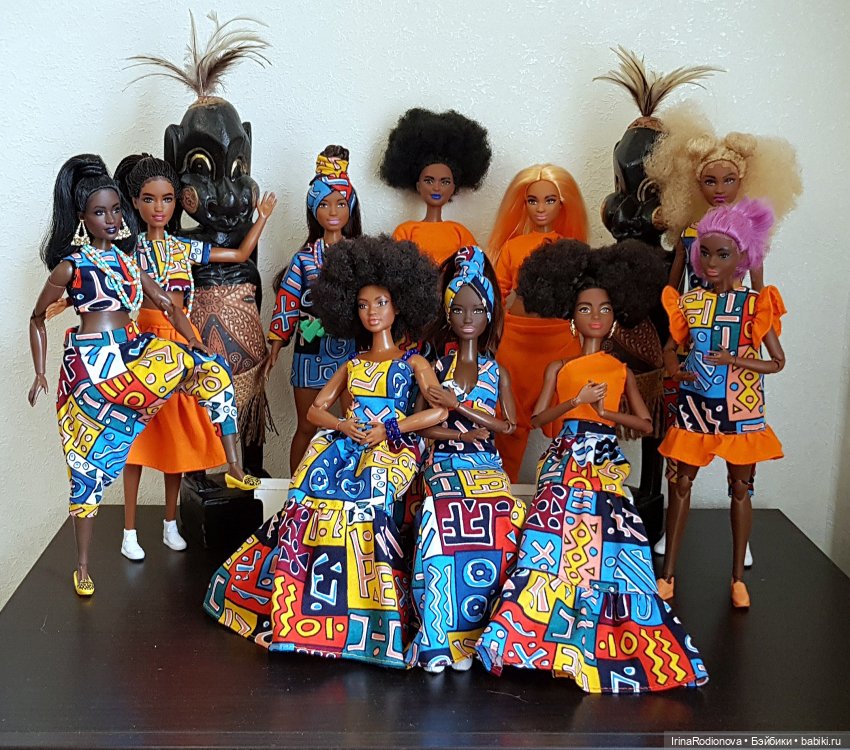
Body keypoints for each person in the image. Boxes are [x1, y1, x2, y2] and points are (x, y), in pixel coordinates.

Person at [476, 239, 708, 693]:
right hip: (564, 458)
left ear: (615, 316)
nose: (595, 316)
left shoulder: (619, 370)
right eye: (585, 309)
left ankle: (610, 627)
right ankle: (537, 633)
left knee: (616, 540)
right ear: (572, 316)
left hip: (603, 461)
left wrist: (605, 413)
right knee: (550, 542)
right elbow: (539, 421)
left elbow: (644, 423)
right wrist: (575, 402)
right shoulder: (558, 366)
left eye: (603, 309)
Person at [204, 235, 448, 667]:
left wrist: (392, 427)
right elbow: (316, 410)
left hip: (391, 447)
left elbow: (437, 411)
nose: (372, 312)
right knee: (306, 499)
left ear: (399, 306)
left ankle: (368, 615)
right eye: (363, 305)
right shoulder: (352, 364)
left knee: (366, 504)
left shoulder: (413, 363)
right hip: (346, 443)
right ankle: (301, 610)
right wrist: (342, 425)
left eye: (381, 303)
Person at [29, 154, 259, 596]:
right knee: (87, 466)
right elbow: (37, 317)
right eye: (101, 212)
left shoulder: (127, 261)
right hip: (92, 365)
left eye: (116, 210)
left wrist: (193, 343)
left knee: (212, 371)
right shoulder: (70, 267)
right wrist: (40, 372)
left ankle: (233, 465)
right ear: (82, 219)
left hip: (133, 349)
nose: (112, 219)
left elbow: (168, 303)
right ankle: (83, 565)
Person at [108, 153, 275, 560]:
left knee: (178, 436)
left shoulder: (183, 247)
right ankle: (129, 530)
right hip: (146, 343)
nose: (159, 208)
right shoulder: (129, 252)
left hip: (184, 341)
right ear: (135, 202)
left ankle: (171, 522)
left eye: (167, 199)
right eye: (150, 199)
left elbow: (239, 255)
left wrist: (262, 218)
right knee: (137, 440)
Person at [656, 199, 785, 609]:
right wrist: (675, 371)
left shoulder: (755, 305)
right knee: (680, 483)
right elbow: (670, 348)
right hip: (694, 406)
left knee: (740, 488)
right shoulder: (689, 302)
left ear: (742, 257)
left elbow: (777, 361)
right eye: (706, 253)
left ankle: (737, 578)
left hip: (740, 410)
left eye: (722, 254)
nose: (711, 263)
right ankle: (668, 574)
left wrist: (735, 360)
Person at [405, 246, 526, 673]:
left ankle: (480, 635)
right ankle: (440, 635)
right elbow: (420, 426)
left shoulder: (497, 371)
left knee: (503, 521)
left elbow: (509, 425)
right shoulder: (435, 368)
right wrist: (459, 432)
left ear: (489, 314)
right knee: (441, 526)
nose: (468, 318)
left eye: (476, 310)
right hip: (444, 462)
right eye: (458, 309)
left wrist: (462, 409)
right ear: (447, 314)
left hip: (485, 464)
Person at [486, 164, 589, 481]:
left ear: (563, 205)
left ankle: (564, 492)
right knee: (510, 426)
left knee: (566, 420)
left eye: (549, 200)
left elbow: (582, 300)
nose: (540, 208)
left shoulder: (571, 249)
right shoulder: (513, 247)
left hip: (559, 341)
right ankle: (502, 491)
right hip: (515, 343)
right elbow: (498, 296)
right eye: (533, 200)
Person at [264, 145, 360, 473]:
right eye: (324, 204)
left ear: (351, 209)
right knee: (307, 425)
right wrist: (276, 344)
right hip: (310, 349)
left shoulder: (361, 255)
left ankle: (347, 485)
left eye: (341, 203)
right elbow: (287, 301)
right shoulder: (304, 259)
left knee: (353, 422)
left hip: (350, 351)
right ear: (313, 209)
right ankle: (296, 487)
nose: (333, 211)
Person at [380, 108, 491, 264]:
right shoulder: (406, 231)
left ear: (453, 188)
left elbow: (474, 265)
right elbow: (394, 267)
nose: (436, 188)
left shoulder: (459, 233)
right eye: (429, 181)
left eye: (445, 182)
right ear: (418, 186)